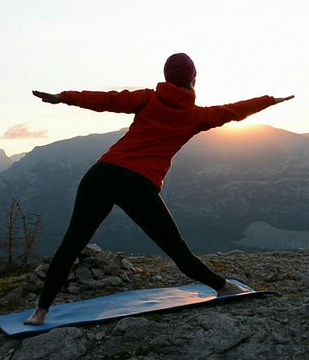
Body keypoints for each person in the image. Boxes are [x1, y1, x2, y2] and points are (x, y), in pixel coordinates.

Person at [24, 53, 294, 325]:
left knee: (71, 245)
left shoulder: (147, 98)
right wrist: (270, 100)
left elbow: (106, 100)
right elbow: (233, 110)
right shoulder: (195, 116)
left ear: (166, 78)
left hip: (101, 173)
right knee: (177, 250)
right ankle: (222, 286)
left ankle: (40, 312)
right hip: (137, 184)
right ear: (193, 79)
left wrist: (63, 96)